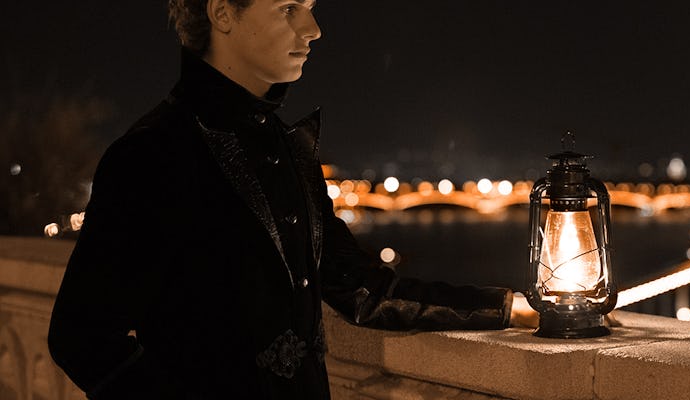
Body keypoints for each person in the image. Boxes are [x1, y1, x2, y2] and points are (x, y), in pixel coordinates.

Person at [47, 0, 536, 398]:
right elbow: (82, 337)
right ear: (222, 14)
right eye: (289, 9)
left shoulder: (288, 150)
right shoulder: (153, 153)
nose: (314, 29)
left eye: (311, 6)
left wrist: (508, 307)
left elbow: (362, 290)